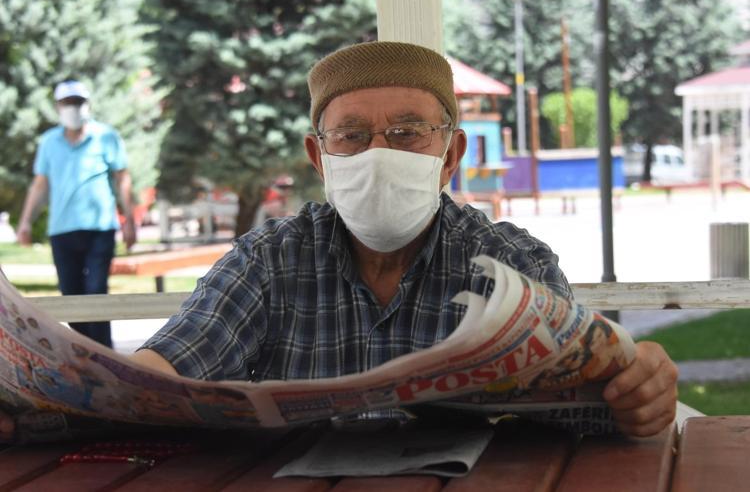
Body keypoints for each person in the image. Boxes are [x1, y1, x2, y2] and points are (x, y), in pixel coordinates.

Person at [1, 42, 677, 440]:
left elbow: (586, 413)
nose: (379, 153)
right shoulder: (269, 259)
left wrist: (638, 394)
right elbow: (159, 379)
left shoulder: (513, 263)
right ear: (319, 157)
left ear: (450, 155)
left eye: (408, 132)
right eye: (351, 135)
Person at [16, 80, 136, 348]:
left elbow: (122, 178)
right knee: (70, 297)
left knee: (96, 292)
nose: (73, 108)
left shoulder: (106, 136)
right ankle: (83, 355)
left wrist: (129, 220)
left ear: (87, 104)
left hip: (100, 228)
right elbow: (40, 184)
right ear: (58, 107)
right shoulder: (49, 142)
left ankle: (104, 355)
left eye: (78, 102)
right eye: (67, 103)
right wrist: (25, 222)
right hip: (62, 229)